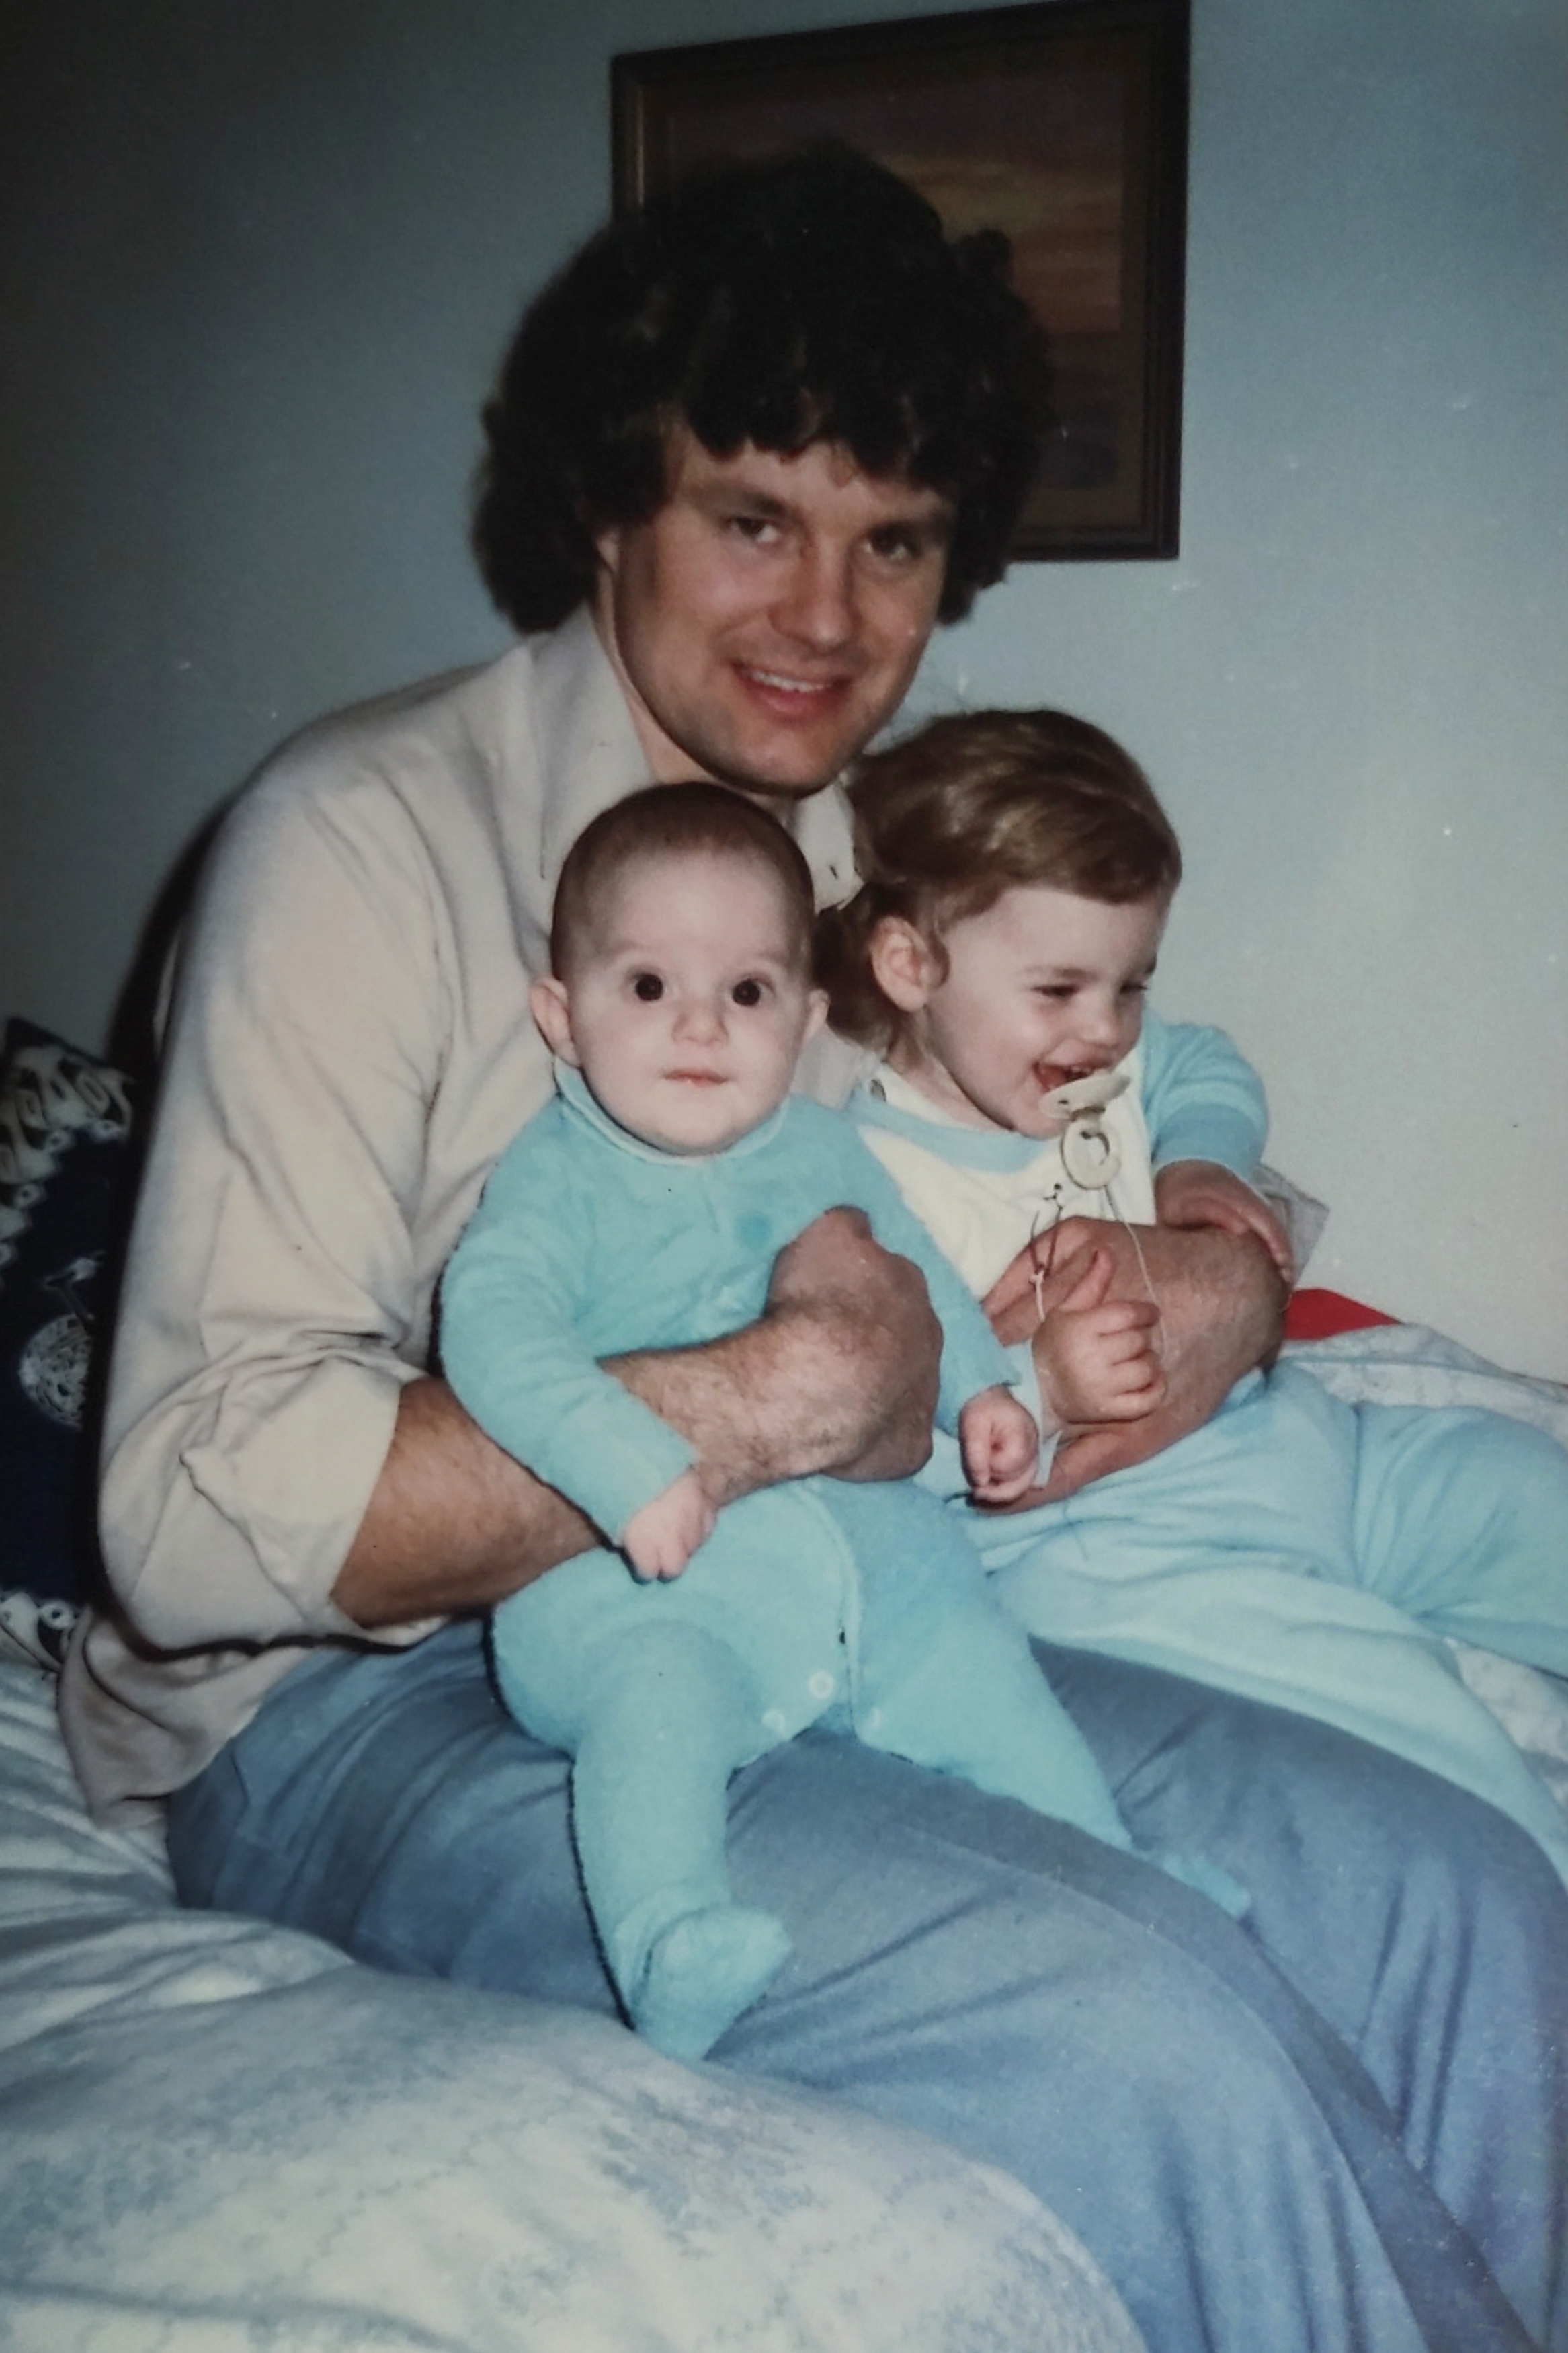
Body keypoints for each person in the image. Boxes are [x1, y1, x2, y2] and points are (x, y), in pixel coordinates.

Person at [59, 147, 1565, 2353]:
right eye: (752, 518)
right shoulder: (359, 843)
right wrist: (766, 1397)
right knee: (1143, 2032)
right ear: (608, 508)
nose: (827, 618)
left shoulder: (859, 863)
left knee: (1447, 1894)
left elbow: (1100, 1092)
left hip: (838, 1593)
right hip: (354, 1698)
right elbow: (190, 1516)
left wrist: (1223, 1258)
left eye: (895, 542)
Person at [438, 781, 1163, 2060]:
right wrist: (626, 1465)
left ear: (807, 1019)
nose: (701, 1025)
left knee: (985, 1665)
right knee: (653, 1710)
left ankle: (1118, 1869)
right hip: (639, 1591)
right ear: (562, 1016)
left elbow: (914, 1267)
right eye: (648, 986)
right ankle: (670, 1937)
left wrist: (982, 1389)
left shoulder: (819, 1147)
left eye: (748, 991)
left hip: (862, 1575)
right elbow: (493, 1337)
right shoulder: (556, 1181)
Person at [823, 705, 1568, 1884]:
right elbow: (861, 1448)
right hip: (1122, 1543)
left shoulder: (1105, 1059)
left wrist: (1199, 1161)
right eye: (1060, 989)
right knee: (1427, 1742)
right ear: (909, 965)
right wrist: (1038, 1389)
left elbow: (1203, 1062)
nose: (1104, 1029)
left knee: (1522, 1491)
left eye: (1130, 985)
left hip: (1293, 1434)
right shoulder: (861, 1185)